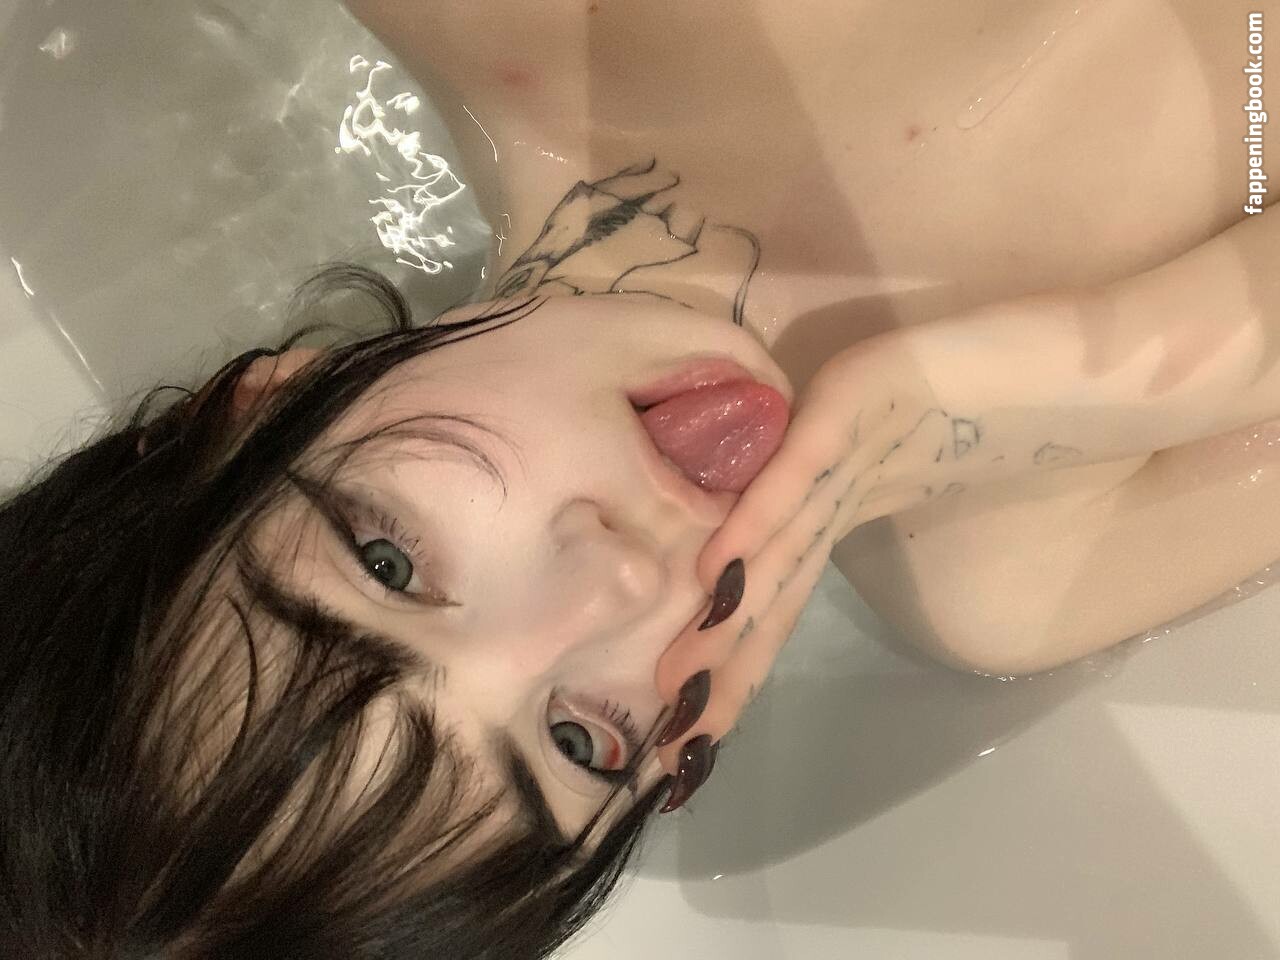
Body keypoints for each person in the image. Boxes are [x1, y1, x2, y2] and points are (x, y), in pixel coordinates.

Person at [4, 1, 1279, 957]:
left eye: (387, 563)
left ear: (255, 408)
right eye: (578, 738)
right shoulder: (1020, 576)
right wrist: (1087, 373)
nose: (612, 582)